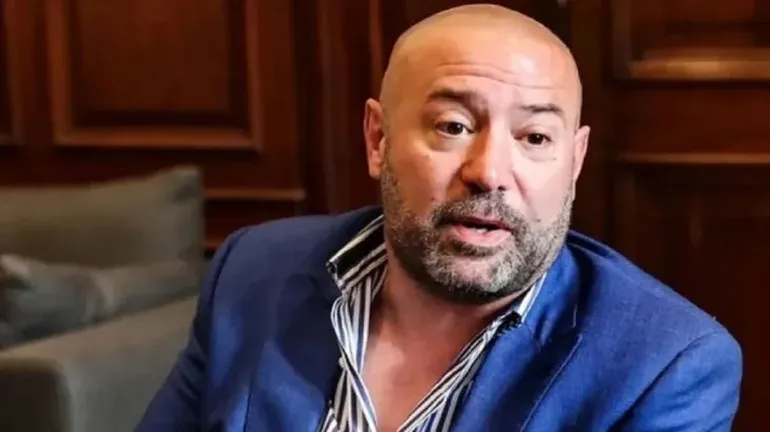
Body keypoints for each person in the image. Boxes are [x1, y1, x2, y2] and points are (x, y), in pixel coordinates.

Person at [137, 4, 742, 431]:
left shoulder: (664, 364)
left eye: (534, 137)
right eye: (454, 126)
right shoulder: (252, 273)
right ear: (378, 139)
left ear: (575, 161)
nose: (490, 171)